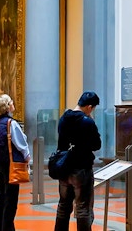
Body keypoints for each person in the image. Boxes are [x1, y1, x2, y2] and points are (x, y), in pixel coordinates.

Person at [54, 91, 102, 231]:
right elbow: (96, 145)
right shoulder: (87, 122)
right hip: (82, 167)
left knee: (63, 206)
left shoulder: (64, 118)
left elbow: (61, 143)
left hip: (64, 167)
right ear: (89, 106)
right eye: (93, 108)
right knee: (82, 208)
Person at [0, 94, 30, 231]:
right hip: (10, 164)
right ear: (7, 106)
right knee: (11, 199)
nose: (13, 103)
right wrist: (27, 157)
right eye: (11, 102)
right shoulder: (10, 123)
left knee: (0, 196)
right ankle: (7, 228)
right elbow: (20, 143)